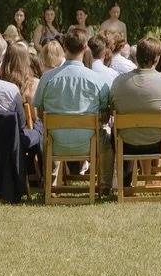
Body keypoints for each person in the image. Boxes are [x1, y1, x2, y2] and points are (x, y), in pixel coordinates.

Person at [111, 38, 161, 193]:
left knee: (118, 129)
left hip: (128, 143)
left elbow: (113, 108)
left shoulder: (119, 82)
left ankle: (125, 183)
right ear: (157, 58)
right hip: (159, 141)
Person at [33, 26, 109, 176]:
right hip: (89, 142)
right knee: (109, 141)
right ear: (86, 47)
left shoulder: (47, 78)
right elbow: (105, 111)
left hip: (55, 141)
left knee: (46, 132)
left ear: (65, 46)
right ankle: (105, 184)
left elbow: (39, 110)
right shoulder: (96, 79)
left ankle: (51, 180)